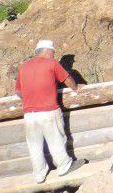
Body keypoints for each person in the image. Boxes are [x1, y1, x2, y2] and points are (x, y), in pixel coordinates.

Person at [15, 40, 84, 183]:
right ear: (47, 51)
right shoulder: (51, 63)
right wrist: (76, 88)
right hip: (48, 111)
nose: (54, 55)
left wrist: (31, 99)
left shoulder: (24, 67)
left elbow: (18, 90)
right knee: (56, 140)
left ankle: (39, 174)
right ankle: (64, 166)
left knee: (34, 146)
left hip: (29, 114)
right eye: (53, 52)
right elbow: (67, 79)